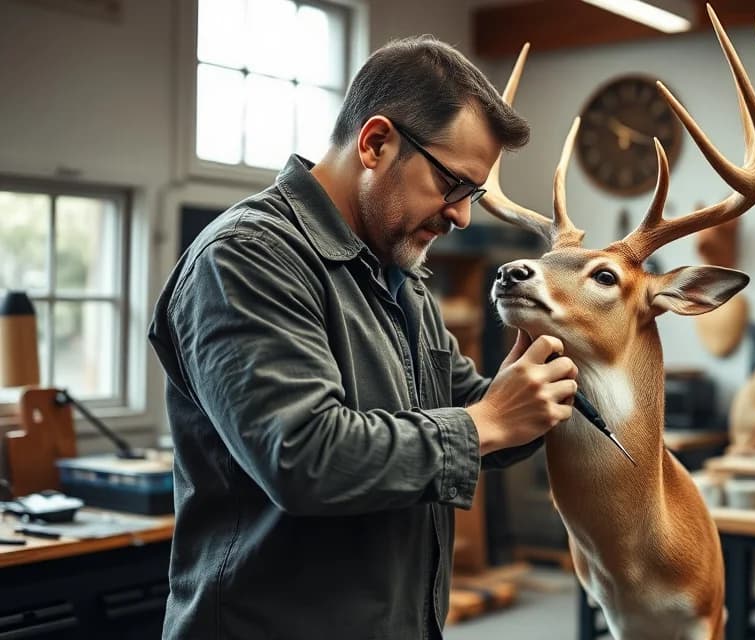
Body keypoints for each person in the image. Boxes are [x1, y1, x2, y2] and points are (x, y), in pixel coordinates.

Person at [148, 35, 579, 640]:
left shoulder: (399, 276)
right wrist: (488, 422)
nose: (462, 216)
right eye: (454, 184)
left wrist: (548, 380)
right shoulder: (246, 258)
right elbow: (303, 455)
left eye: (473, 194)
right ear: (376, 143)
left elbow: (475, 411)